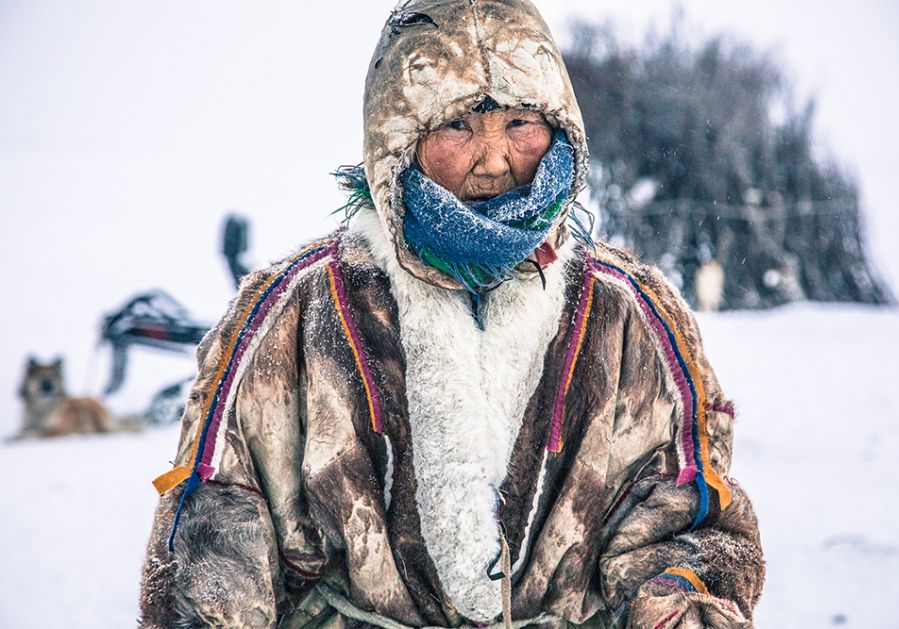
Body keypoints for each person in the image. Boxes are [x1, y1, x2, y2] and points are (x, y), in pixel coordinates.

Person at [139, 1, 764, 627]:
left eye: (521, 122)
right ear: (398, 139)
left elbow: (689, 523)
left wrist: (677, 603)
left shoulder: (629, 315)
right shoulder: (295, 313)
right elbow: (217, 534)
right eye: (459, 125)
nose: (494, 159)